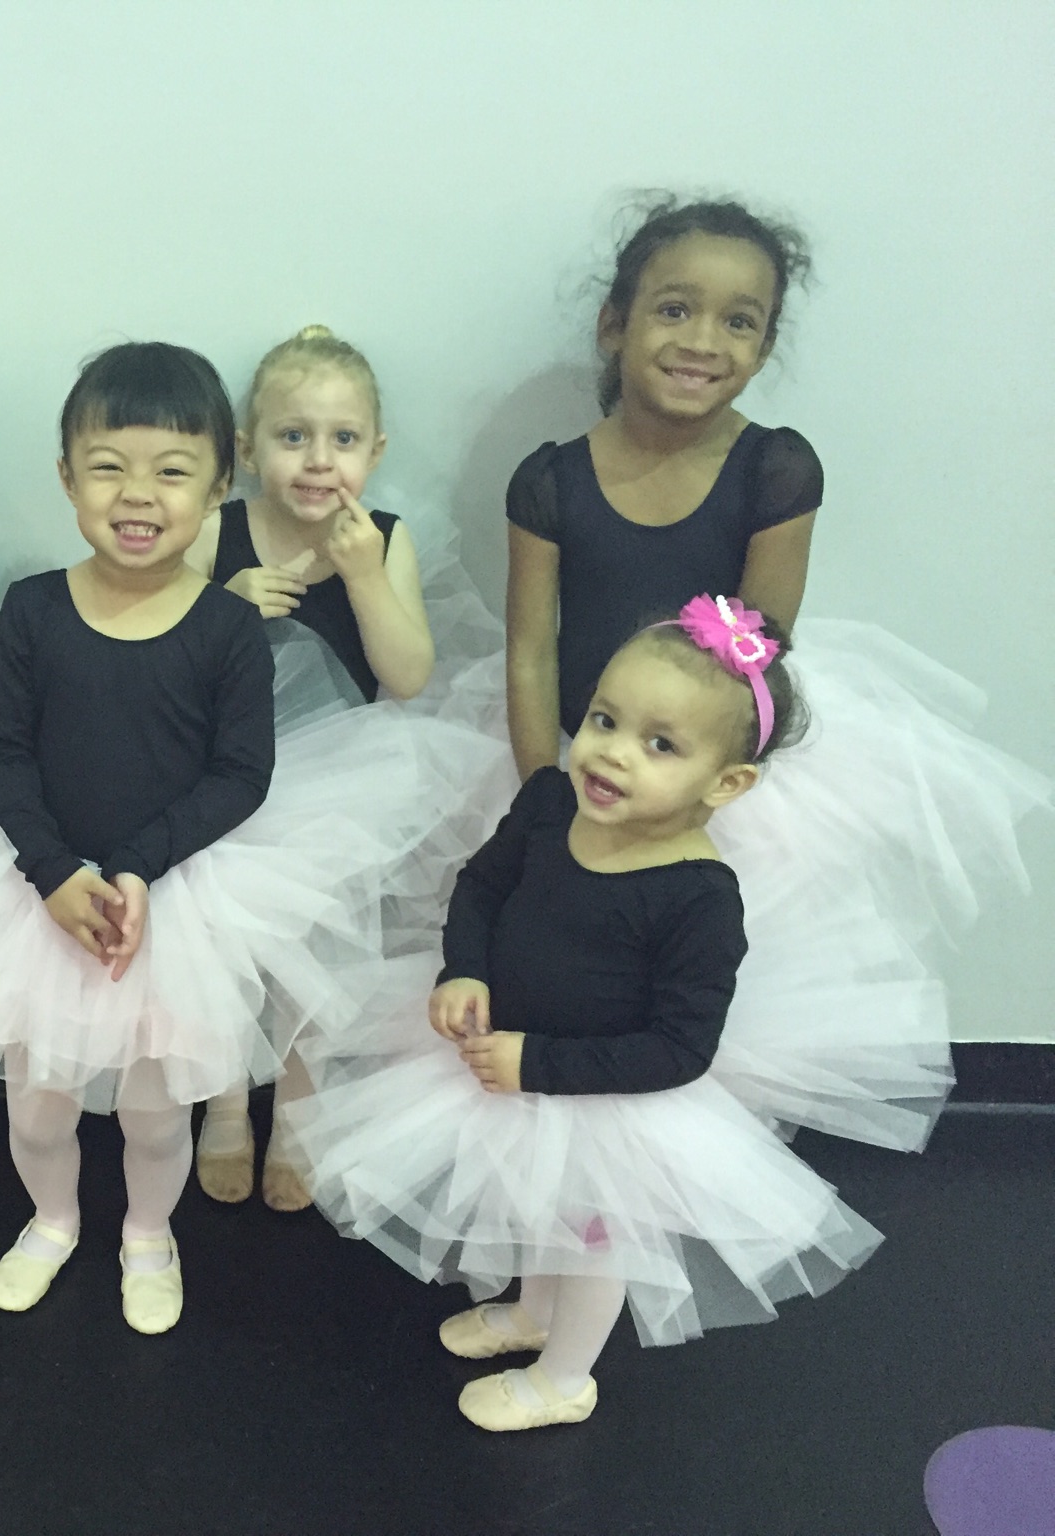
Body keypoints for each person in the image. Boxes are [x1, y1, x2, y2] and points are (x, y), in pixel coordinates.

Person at [0, 342, 410, 1333]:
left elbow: (241, 775)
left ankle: (149, 1231)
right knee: (36, 1105)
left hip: (171, 900)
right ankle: (53, 1220)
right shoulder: (34, 609)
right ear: (65, 477)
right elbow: (1, 755)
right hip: (35, 894)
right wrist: (55, 874)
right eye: (107, 467)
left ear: (217, 486)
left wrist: (137, 867)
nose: (136, 495)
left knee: (154, 1109)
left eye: (172, 471)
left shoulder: (225, 629)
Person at [491, 196, 1047, 1150]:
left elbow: (760, 652)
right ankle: (544, 1177)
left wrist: (694, 795)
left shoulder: (776, 470)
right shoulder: (549, 479)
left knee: (689, 974)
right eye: (674, 309)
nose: (703, 339)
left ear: (764, 342)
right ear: (614, 322)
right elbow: (532, 648)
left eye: (738, 320)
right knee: (556, 962)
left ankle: (677, 1156)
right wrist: (545, 782)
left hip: (706, 762)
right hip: (584, 752)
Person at [291, 599, 882, 1430]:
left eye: (661, 744)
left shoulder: (698, 899)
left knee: (596, 1243)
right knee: (537, 1211)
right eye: (606, 718)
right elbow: (484, 887)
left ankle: (564, 1378)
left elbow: (680, 1047)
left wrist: (537, 1066)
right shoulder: (547, 802)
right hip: (506, 1067)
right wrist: (464, 969)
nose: (612, 753)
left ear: (728, 782)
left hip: (605, 1108)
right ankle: (535, 1312)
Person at [185, 323, 443, 1211]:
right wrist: (221, 606)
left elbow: (408, 675)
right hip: (221, 779)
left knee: (318, 958)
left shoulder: (387, 537)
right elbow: (157, 662)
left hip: (348, 789)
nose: (317, 461)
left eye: (342, 440)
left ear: (375, 450)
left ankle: (297, 1111)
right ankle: (224, 1109)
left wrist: (365, 576)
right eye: (293, 437)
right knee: (224, 956)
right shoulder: (215, 533)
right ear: (250, 450)